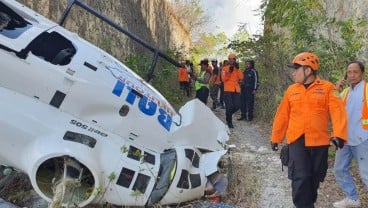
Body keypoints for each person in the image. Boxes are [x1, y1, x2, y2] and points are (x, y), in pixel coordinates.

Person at [270, 52, 348, 208]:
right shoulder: (292, 90)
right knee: (301, 177)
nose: (293, 73)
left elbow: (338, 112)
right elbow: (282, 115)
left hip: (319, 141)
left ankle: (308, 204)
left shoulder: (327, 88)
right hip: (296, 139)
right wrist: (276, 137)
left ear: (308, 70)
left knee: (314, 178)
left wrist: (338, 135)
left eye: (296, 69)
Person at [333, 61, 368, 208]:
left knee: (366, 174)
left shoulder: (366, 89)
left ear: (362, 74)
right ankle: (352, 199)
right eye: (349, 72)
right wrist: (336, 90)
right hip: (345, 140)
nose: (352, 75)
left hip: (363, 139)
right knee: (339, 169)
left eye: (355, 72)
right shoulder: (345, 92)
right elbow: (334, 108)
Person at [221, 53, 243, 128]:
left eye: (233, 59)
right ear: (228, 60)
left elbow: (241, 77)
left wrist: (237, 69)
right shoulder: (224, 69)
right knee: (229, 106)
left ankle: (228, 115)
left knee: (237, 105)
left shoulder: (237, 69)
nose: (231, 61)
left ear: (235, 60)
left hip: (236, 89)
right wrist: (229, 72)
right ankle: (229, 122)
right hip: (228, 90)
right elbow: (223, 79)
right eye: (230, 59)